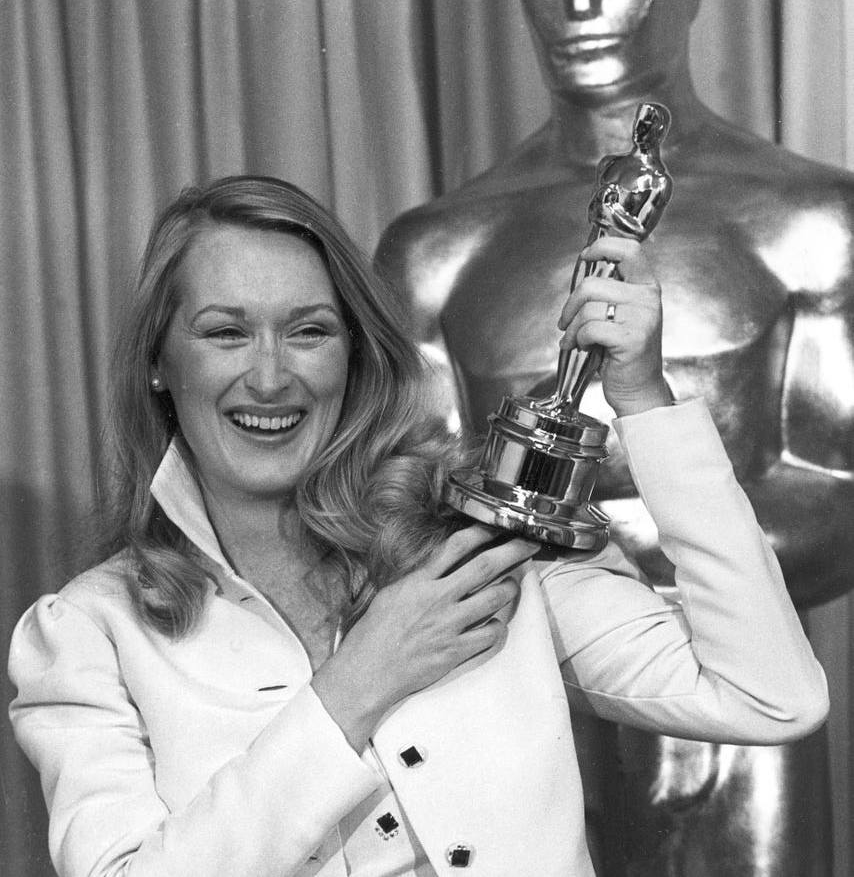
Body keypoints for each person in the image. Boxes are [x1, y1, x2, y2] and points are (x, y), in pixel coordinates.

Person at [8, 174, 827, 877]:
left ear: (354, 355)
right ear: (160, 362)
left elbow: (770, 697)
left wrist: (644, 399)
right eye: (226, 333)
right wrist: (358, 683)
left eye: (308, 331)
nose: (270, 377)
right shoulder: (88, 634)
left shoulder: (477, 545)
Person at [375, 0, 854, 872]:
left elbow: (840, 491)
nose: (581, 1)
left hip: (732, 712)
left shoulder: (813, 218)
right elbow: (409, 501)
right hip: (503, 700)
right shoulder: (433, 249)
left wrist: (620, 587)